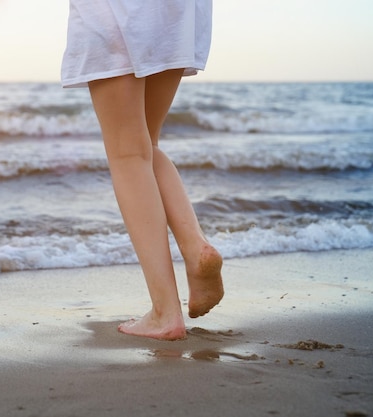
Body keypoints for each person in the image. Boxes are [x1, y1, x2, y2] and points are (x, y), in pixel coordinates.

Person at [61, 1, 224, 340]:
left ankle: (165, 312)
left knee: (128, 154)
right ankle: (195, 248)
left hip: (117, 11)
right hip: (177, 12)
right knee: (145, 145)